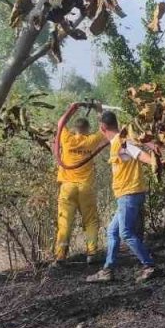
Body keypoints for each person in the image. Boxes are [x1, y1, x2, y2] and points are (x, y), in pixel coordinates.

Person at [86, 110, 156, 283]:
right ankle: (108, 270)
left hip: (129, 194)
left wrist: (156, 163)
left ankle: (149, 265)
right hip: (127, 195)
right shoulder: (118, 143)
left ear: (102, 127)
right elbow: (131, 155)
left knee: (125, 232)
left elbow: (138, 154)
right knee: (112, 231)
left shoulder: (121, 142)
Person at [53, 102, 106, 264]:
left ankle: (61, 255)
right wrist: (99, 110)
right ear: (88, 129)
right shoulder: (91, 141)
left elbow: (61, 122)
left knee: (64, 222)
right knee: (90, 220)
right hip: (85, 188)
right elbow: (104, 128)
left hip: (67, 187)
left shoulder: (67, 138)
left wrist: (72, 107)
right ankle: (91, 253)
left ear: (75, 129)